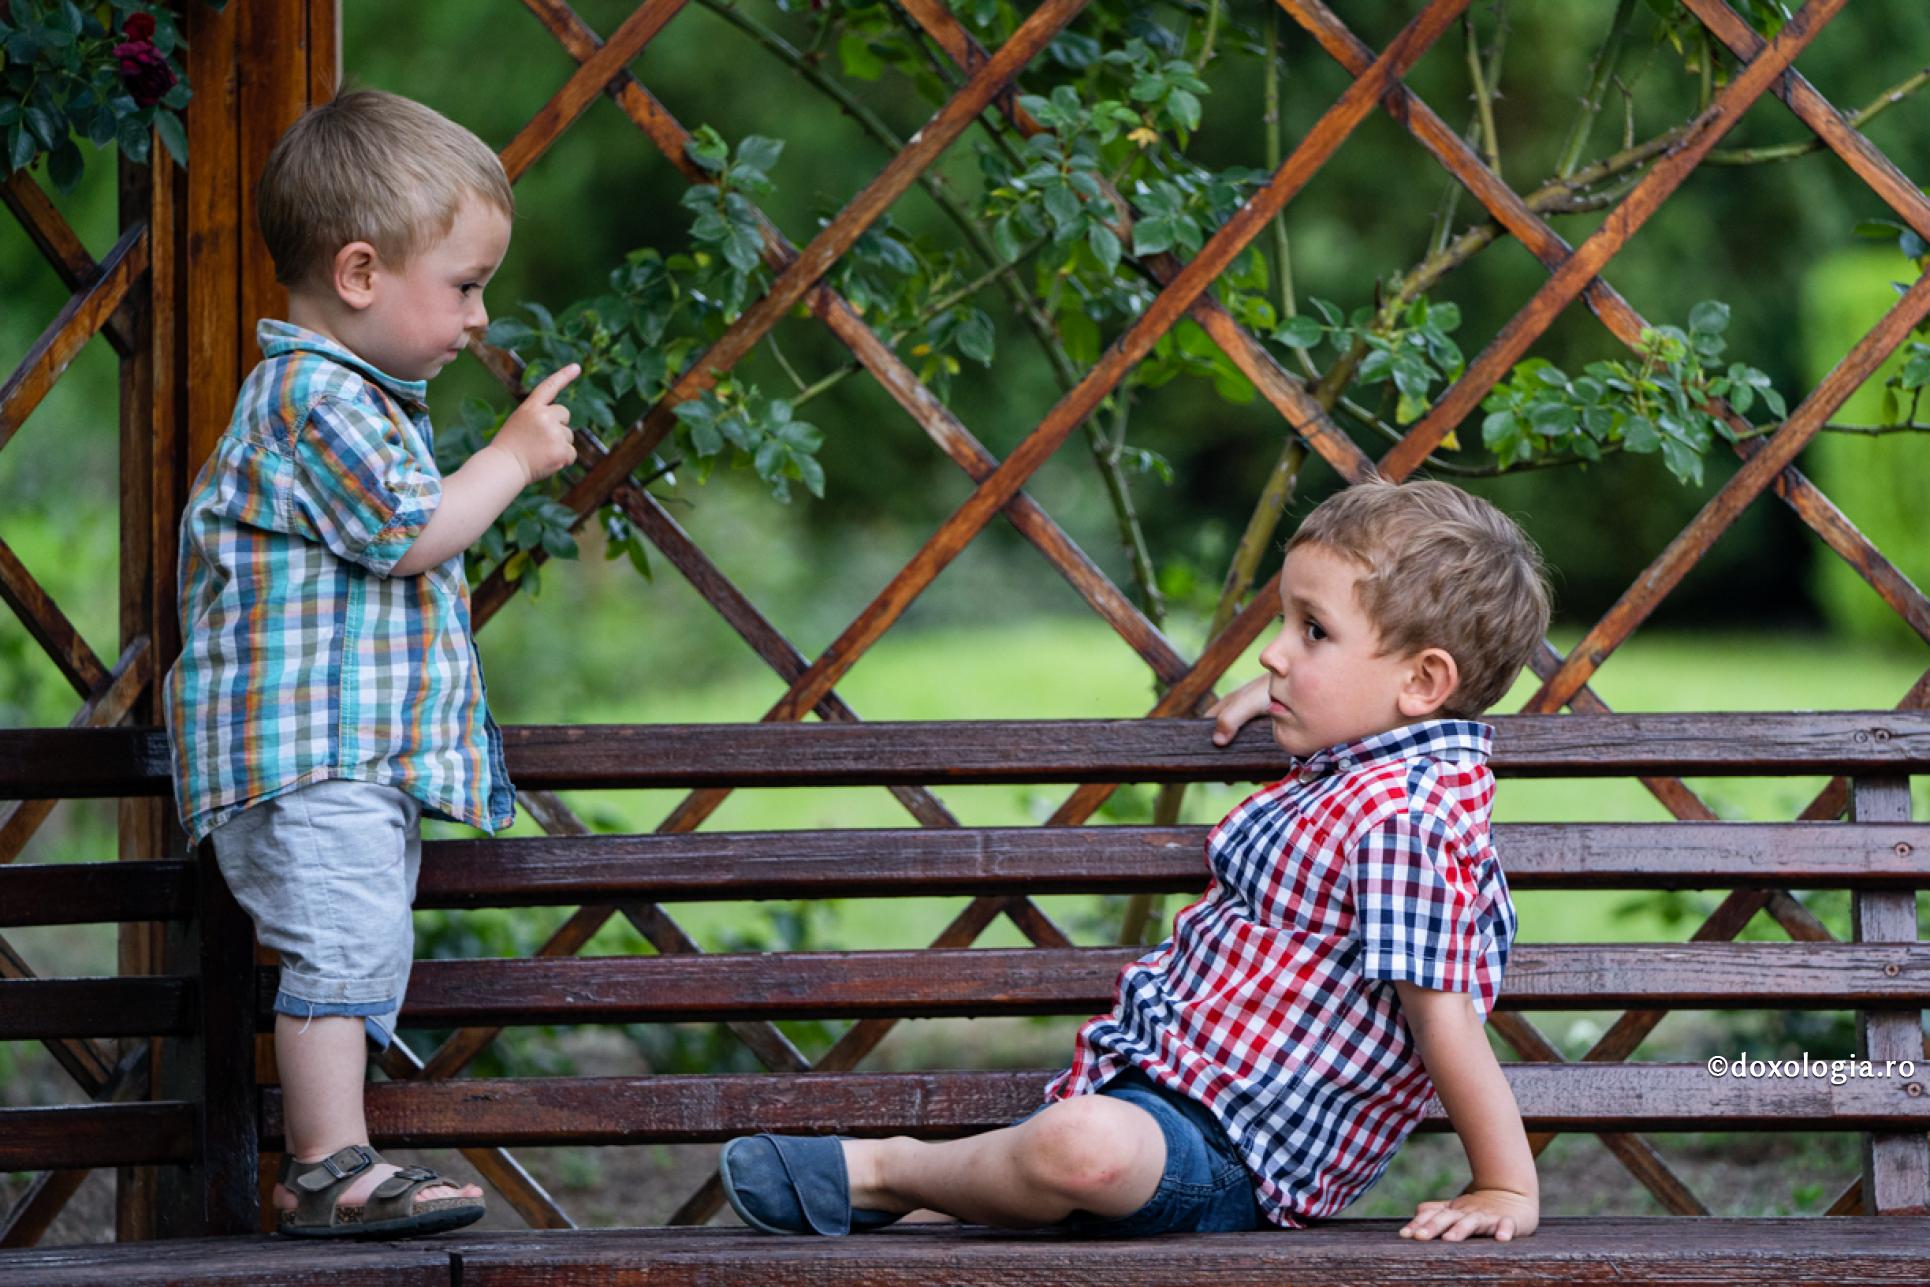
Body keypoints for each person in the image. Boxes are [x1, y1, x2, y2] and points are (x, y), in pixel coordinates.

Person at [719, 477, 1552, 1241]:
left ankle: (888, 1171)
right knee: (1080, 1144)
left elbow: (1444, 1017)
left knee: (1082, 1147)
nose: (1273, 653)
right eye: (1284, 623)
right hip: (1172, 1097)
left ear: (1422, 682)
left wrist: (1506, 1185)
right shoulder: (1368, 765)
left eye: (1313, 631)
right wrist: (1303, 691)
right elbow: (1365, 715)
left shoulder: (1406, 821)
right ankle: (949, 1189)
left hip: (1241, 1154)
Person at [164, 90, 578, 1238]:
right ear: (359, 273)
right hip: (309, 761)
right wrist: (511, 458)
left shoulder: (351, 398)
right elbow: (408, 534)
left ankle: (338, 1160)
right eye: (465, 286)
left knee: (356, 941)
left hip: (343, 758)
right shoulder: (314, 397)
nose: (479, 319)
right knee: (342, 942)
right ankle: (326, 1169)